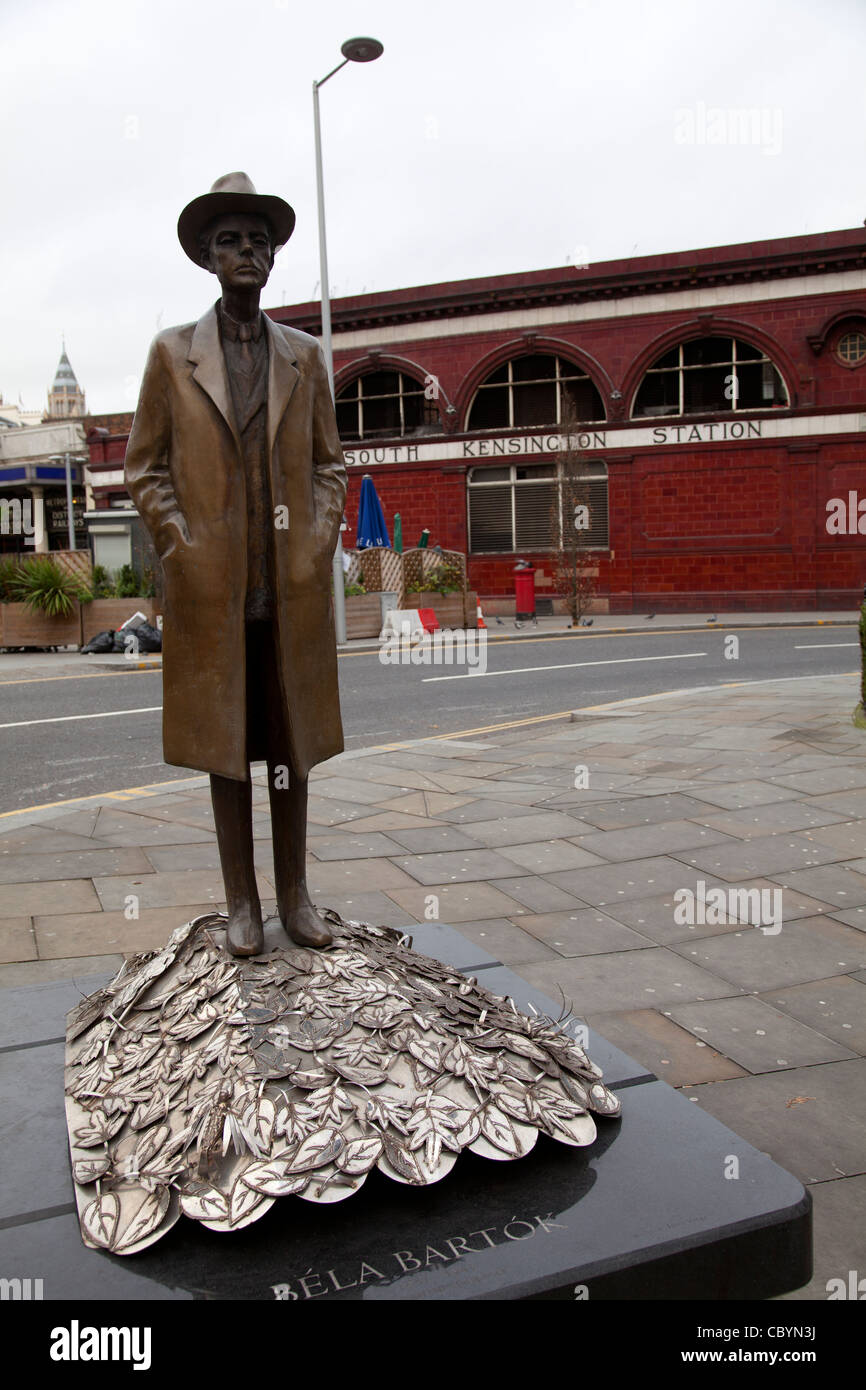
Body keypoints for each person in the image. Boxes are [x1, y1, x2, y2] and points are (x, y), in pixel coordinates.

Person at [125, 172, 347, 957]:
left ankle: (296, 894)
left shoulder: (306, 357)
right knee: (228, 746)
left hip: (289, 589)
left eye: (257, 239)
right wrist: (181, 543)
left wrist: (315, 543)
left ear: (273, 255)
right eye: (230, 241)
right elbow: (144, 467)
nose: (246, 251)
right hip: (214, 587)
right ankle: (242, 902)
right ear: (208, 258)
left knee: (290, 746)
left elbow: (329, 466)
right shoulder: (172, 355)